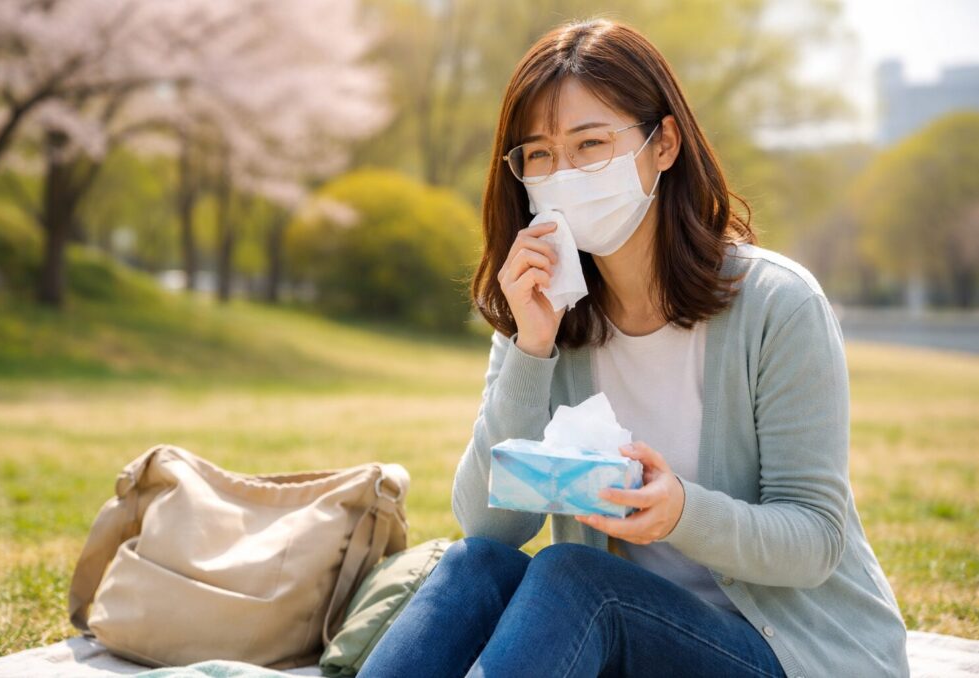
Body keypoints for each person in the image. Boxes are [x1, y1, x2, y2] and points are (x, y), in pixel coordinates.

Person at [358, 17, 909, 678]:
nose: (561, 173)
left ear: (663, 144)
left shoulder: (777, 304)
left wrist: (681, 513)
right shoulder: (543, 310)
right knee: (472, 565)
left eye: (589, 144)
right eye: (536, 155)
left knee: (575, 577)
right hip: (634, 635)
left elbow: (815, 540)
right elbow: (489, 526)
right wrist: (531, 347)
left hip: (792, 653)